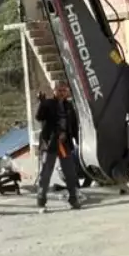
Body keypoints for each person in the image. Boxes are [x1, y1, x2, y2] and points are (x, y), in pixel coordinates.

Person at [35, 81, 82, 211]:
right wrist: (41, 103)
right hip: (50, 144)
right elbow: (39, 117)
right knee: (46, 173)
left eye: (64, 90)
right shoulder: (48, 104)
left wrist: (76, 140)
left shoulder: (69, 106)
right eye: (59, 90)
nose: (62, 93)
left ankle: (73, 199)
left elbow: (73, 124)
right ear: (54, 91)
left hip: (65, 144)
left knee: (70, 173)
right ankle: (41, 200)